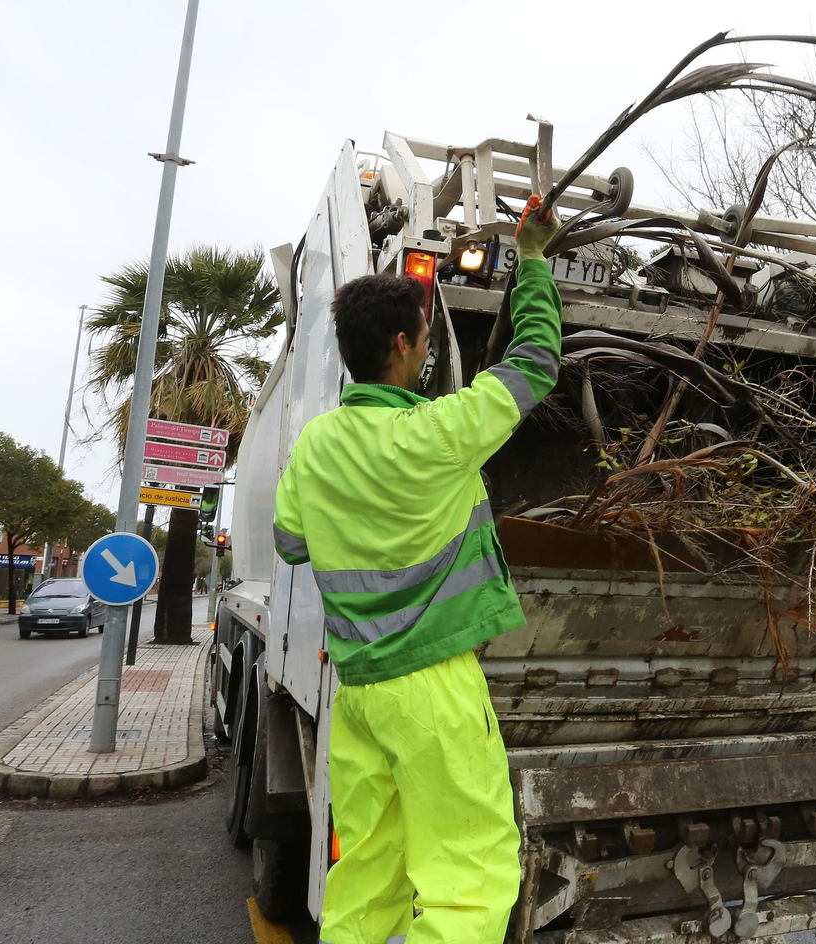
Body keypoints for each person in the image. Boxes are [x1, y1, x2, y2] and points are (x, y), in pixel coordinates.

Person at [272, 197, 563, 944]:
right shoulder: (439, 434)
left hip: (360, 690)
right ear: (401, 345)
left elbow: (291, 544)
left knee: (368, 870)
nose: (430, 351)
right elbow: (534, 362)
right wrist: (532, 258)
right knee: (469, 877)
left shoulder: (316, 445)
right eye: (427, 338)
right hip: (431, 688)